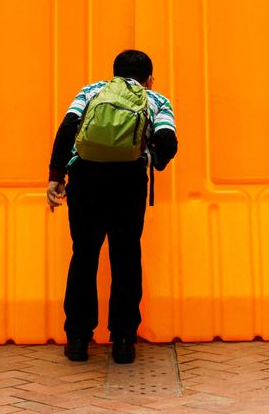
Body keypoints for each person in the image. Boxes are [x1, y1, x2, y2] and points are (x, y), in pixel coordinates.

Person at [46, 49, 178, 365]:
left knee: (84, 255)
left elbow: (67, 128)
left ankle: (77, 339)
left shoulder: (91, 91)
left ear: (114, 73)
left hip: (86, 178)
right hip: (128, 182)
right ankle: (122, 341)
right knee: (126, 256)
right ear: (149, 79)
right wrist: (155, 160)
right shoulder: (156, 100)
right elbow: (167, 140)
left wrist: (56, 176)